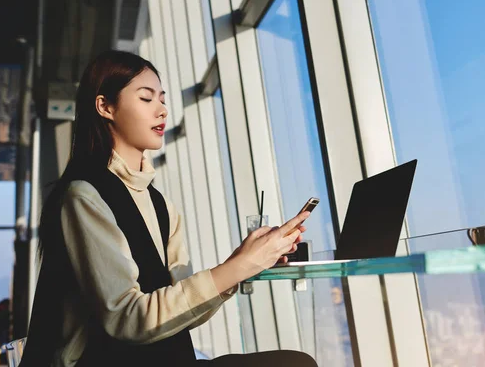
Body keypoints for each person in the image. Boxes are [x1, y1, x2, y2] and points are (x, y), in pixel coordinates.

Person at [20, 50, 318, 367]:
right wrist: (240, 266)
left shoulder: (162, 206)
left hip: (165, 357)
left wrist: (244, 261)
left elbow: (179, 312)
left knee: (296, 361)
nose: (162, 110)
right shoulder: (84, 195)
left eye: (162, 99)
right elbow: (127, 318)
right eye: (147, 99)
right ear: (105, 106)